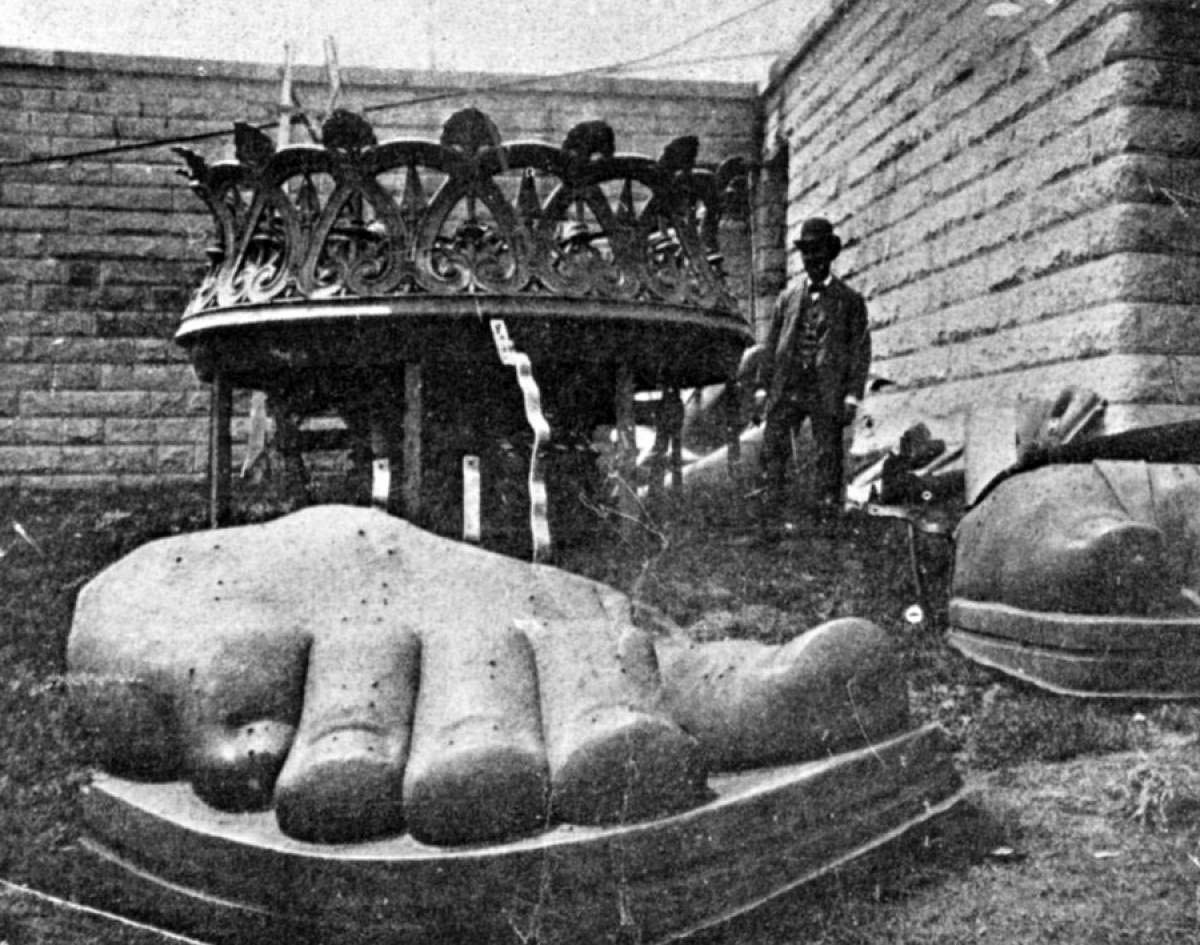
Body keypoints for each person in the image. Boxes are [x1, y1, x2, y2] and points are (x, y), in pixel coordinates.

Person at [755, 217, 870, 524]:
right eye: (807, 253)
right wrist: (763, 388)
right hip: (788, 386)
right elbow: (771, 346)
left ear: (830, 255)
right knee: (773, 447)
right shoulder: (787, 299)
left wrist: (852, 397)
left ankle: (827, 519)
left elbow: (860, 352)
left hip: (826, 388)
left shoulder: (850, 301)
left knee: (828, 454)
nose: (812, 259)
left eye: (818, 252)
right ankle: (771, 517)